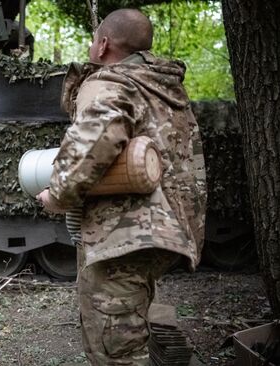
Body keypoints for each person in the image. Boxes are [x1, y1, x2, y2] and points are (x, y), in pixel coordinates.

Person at [37, 8, 206, 365]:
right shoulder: (163, 87)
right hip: (165, 232)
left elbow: (94, 139)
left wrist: (57, 195)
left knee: (115, 351)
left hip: (122, 237)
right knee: (130, 328)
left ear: (102, 45)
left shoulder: (111, 83)